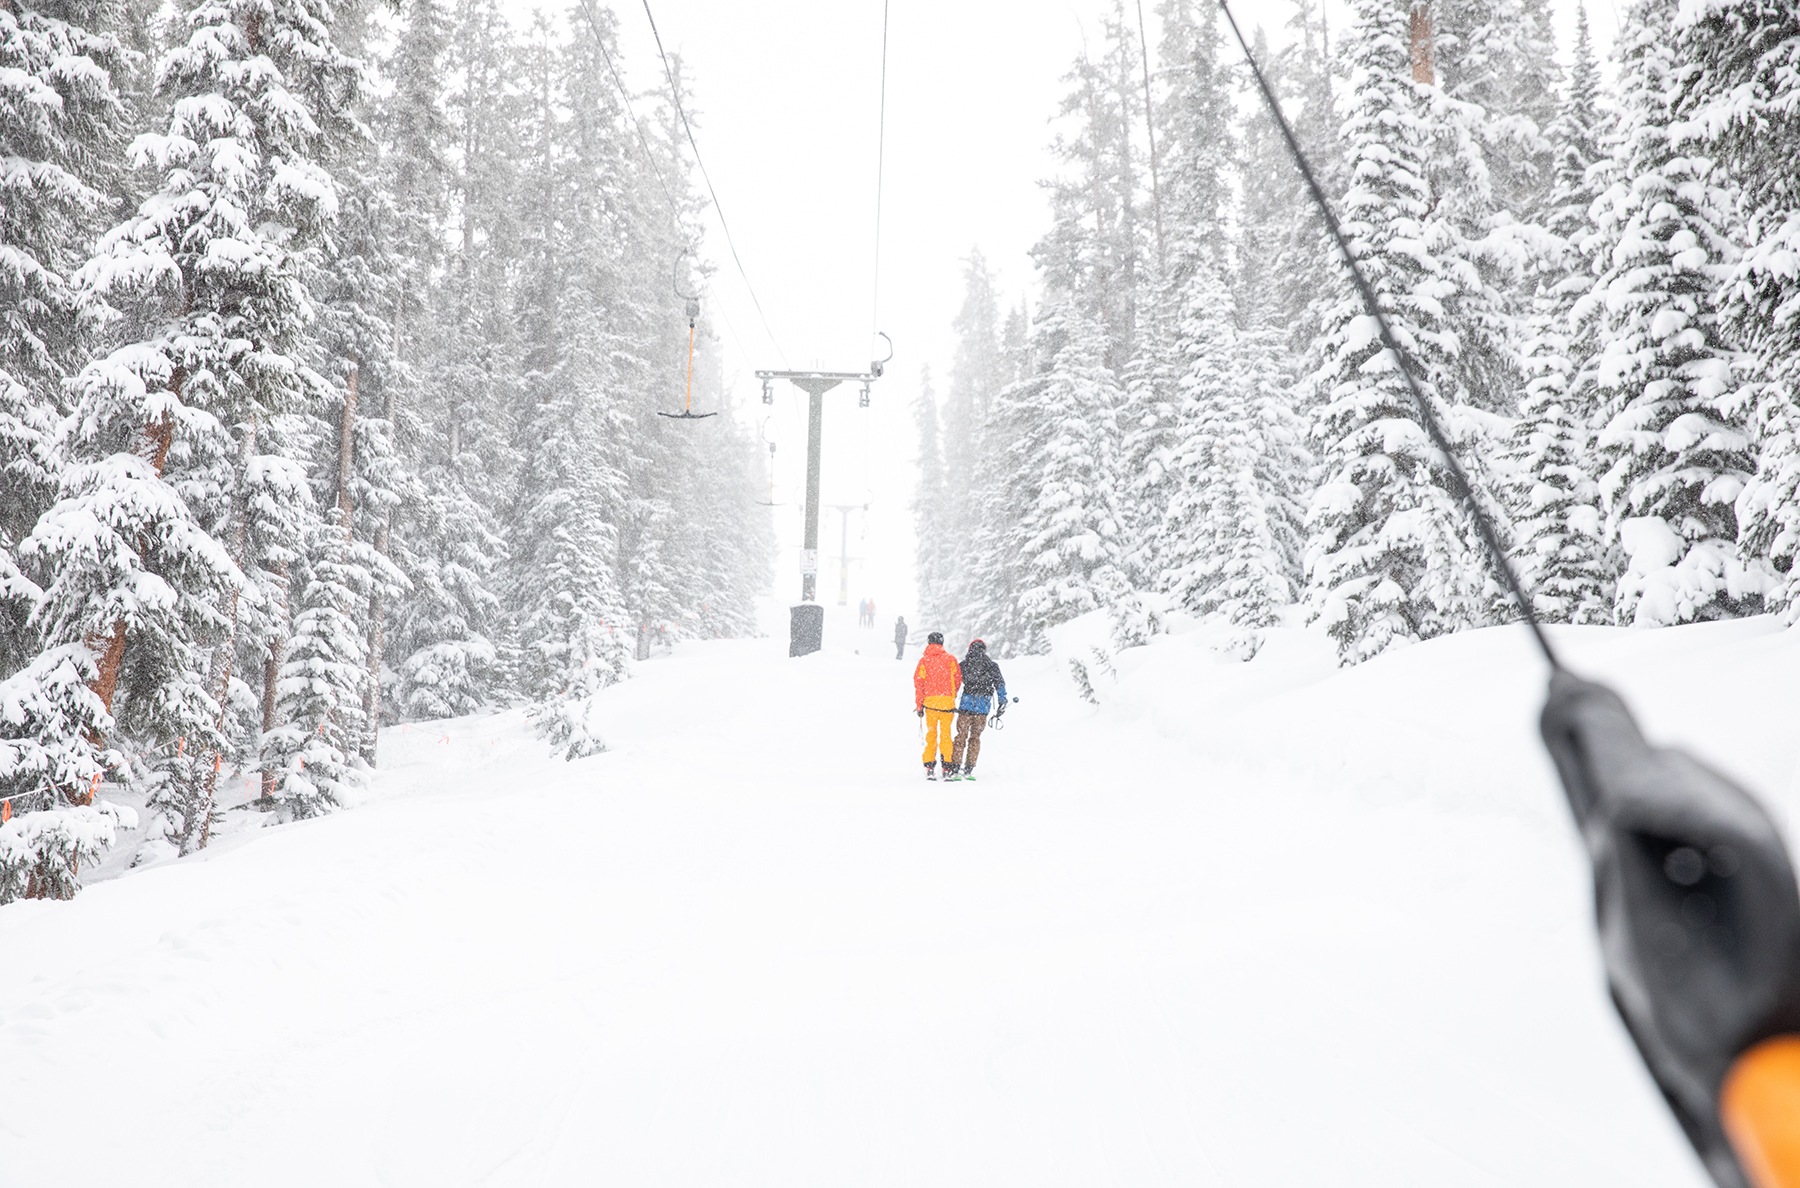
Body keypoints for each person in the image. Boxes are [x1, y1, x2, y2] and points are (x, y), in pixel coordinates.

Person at [947, 638, 1006, 781]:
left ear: (969, 649)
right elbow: (1000, 684)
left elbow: (954, 684)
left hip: (965, 706)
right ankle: (969, 767)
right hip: (983, 708)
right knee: (975, 738)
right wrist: (1002, 701)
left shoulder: (963, 665)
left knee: (960, 736)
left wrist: (949, 701)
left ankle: (955, 766)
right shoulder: (992, 666)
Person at [913, 631, 960, 780]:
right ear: (942, 643)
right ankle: (947, 766)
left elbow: (918, 684)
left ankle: (929, 766)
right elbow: (957, 680)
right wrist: (952, 695)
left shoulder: (924, 661)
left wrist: (919, 705)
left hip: (931, 704)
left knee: (931, 735)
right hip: (947, 704)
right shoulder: (951, 659)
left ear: (928, 643)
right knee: (946, 735)